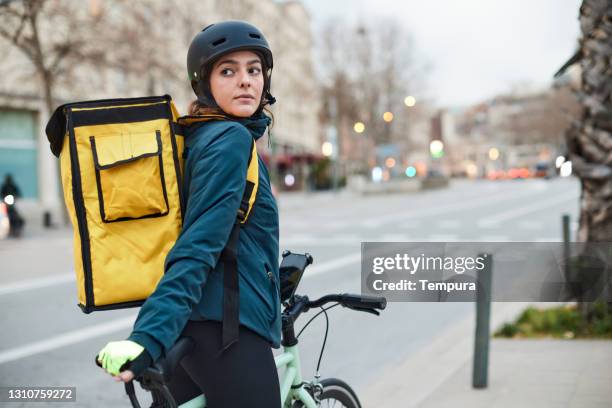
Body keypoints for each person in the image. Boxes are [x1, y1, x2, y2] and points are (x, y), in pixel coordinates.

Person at [97, 21, 281, 407]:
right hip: (225, 331)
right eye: (228, 71)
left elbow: (233, 237)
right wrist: (149, 335)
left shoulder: (198, 136)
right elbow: (199, 243)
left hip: (194, 326)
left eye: (254, 69)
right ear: (205, 83)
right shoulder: (230, 140)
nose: (245, 81)